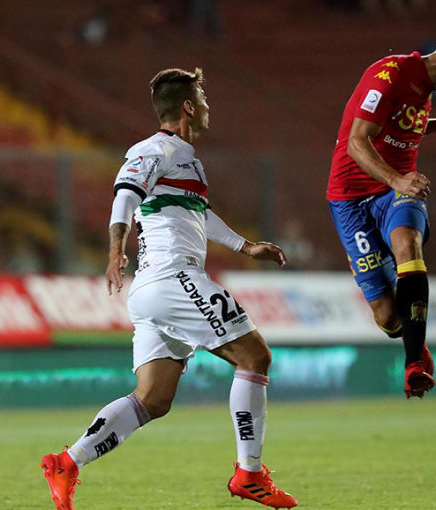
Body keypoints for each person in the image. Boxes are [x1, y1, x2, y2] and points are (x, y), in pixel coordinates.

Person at [39, 68, 298, 510]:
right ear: (189, 107)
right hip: (172, 277)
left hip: (155, 289)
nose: (209, 107)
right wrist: (115, 249)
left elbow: (198, 214)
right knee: (255, 357)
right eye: (204, 98)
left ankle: (68, 461)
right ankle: (249, 474)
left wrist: (244, 245)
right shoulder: (154, 148)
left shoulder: (187, 161)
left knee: (153, 399)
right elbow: (124, 194)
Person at [327, 29, 436, 398]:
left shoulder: (425, 91)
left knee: (408, 244)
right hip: (351, 199)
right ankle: (414, 340)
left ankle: (413, 363)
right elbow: (357, 141)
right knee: (387, 317)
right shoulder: (389, 76)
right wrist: (396, 178)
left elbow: (399, 128)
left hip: (399, 192)